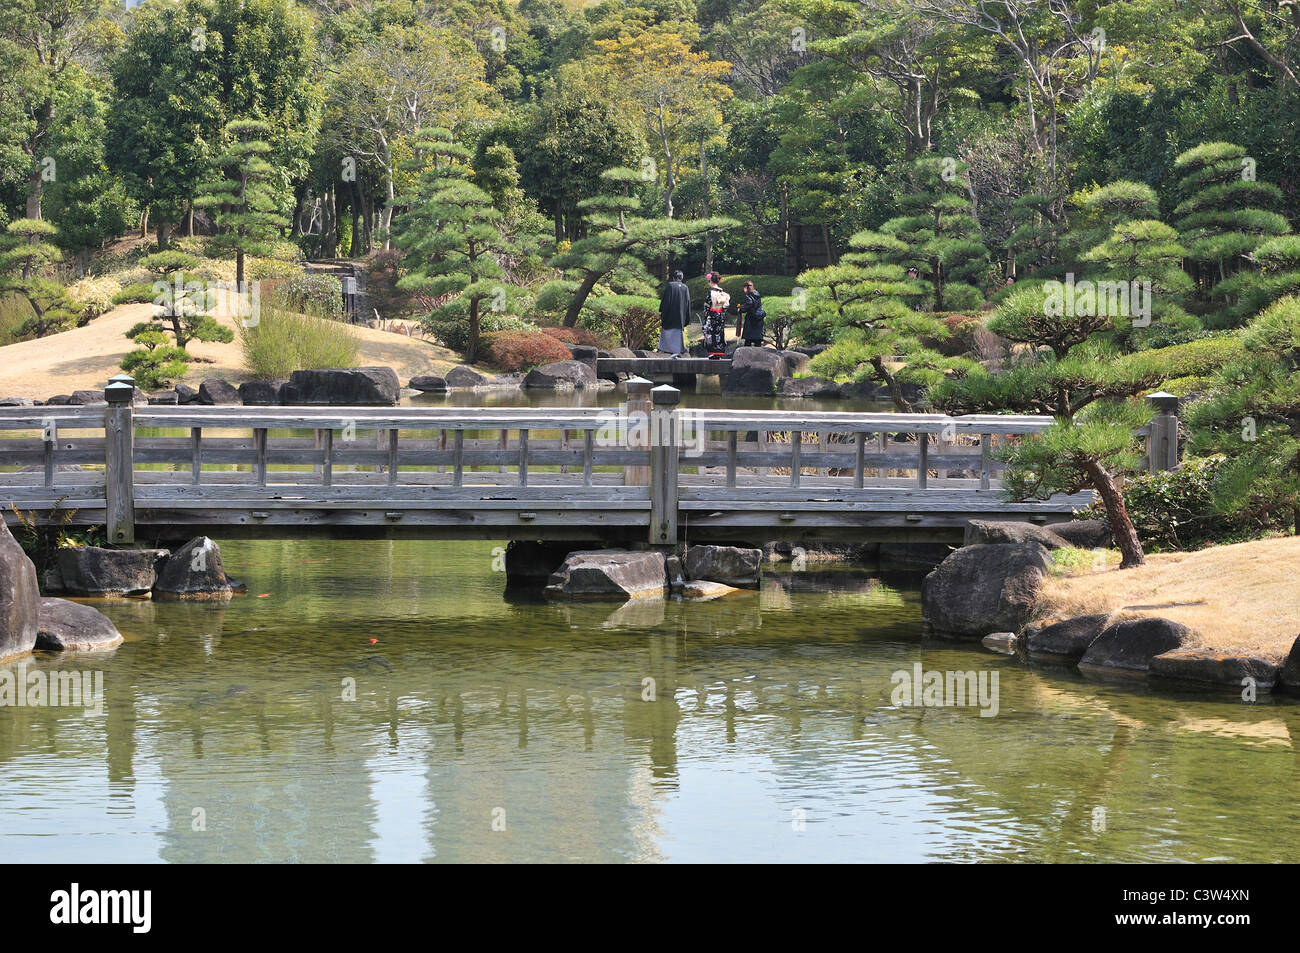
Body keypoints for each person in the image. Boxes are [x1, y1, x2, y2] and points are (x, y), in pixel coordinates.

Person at [658, 270, 690, 355]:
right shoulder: (685, 287)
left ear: (673, 278)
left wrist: (662, 312)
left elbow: (666, 301)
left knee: (667, 333)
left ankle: (666, 350)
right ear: (681, 278)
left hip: (670, 316)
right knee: (678, 334)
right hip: (680, 316)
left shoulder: (670, 286)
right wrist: (686, 318)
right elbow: (687, 303)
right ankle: (677, 350)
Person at [702, 272, 730, 357]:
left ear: (711, 281)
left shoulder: (710, 293)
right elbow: (726, 306)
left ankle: (713, 352)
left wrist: (706, 315)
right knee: (719, 333)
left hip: (712, 314)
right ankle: (719, 351)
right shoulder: (723, 293)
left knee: (712, 333)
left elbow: (707, 306)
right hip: (720, 315)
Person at [734, 279, 764, 347]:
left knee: (748, 340)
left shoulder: (748, 294)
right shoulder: (757, 293)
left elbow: (749, 304)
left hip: (751, 319)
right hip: (758, 317)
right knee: (757, 341)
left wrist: (741, 309)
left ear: (745, 287)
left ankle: (746, 356)